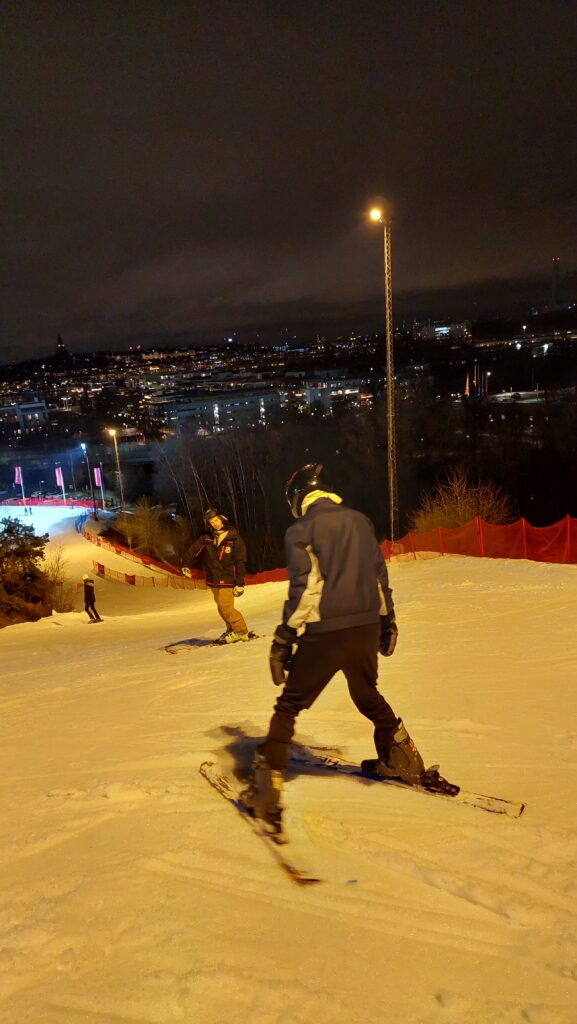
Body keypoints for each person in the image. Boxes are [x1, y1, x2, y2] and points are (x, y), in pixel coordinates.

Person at [242, 462, 426, 834]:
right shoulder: (359, 520)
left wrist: (283, 640)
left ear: (298, 497)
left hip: (328, 630)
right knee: (366, 691)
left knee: (290, 704)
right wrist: (387, 622)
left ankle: (267, 790)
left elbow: (305, 591)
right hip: (364, 627)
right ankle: (403, 756)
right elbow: (379, 577)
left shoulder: (301, 529)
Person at [184, 507, 250, 644]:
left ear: (222, 518)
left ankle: (241, 631)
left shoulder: (234, 538)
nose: (214, 524)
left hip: (227, 578)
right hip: (213, 578)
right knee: (221, 607)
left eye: (216, 520)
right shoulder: (207, 538)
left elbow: (240, 562)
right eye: (211, 522)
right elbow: (193, 551)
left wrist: (240, 583)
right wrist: (185, 563)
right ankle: (231, 629)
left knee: (226, 607)